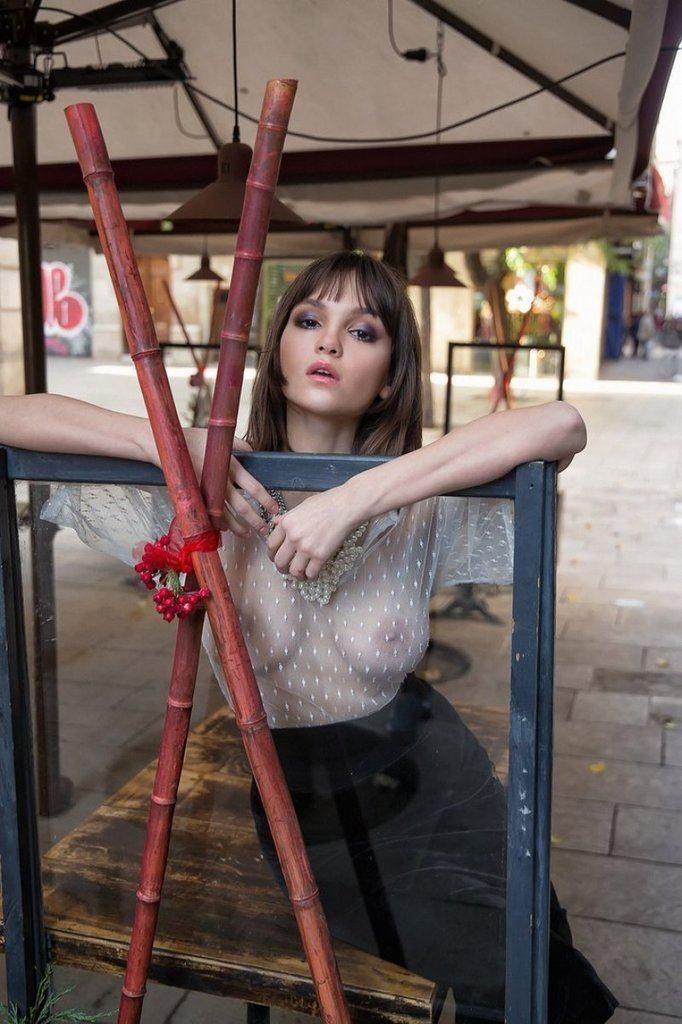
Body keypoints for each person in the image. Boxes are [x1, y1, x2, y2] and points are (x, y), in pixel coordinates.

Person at [0, 252, 616, 1023]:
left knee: (537, 960)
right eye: (309, 320)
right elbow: (9, 417)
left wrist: (357, 496)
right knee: (497, 960)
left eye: (362, 331)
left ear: (389, 377)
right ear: (278, 352)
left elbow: (563, 426)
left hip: (434, 774)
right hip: (304, 807)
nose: (329, 342)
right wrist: (166, 441)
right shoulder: (202, 495)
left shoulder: (416, 501)